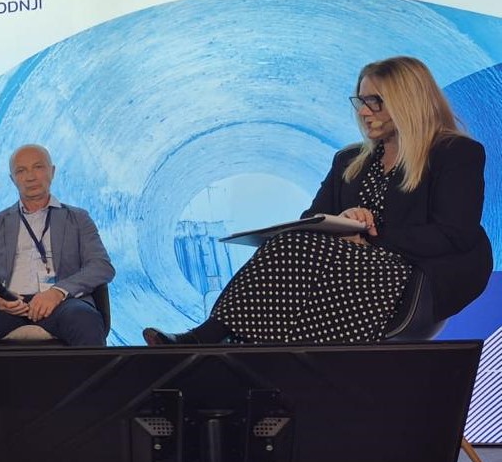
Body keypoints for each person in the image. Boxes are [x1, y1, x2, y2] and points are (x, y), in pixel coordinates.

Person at [144, 56, 491, 347]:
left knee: (296, 250)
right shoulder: (349, 161)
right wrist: (344, 221)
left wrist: (369, 234)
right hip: (345, 273)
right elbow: (312, 219)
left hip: (411, 274)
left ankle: (208, 338)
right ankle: (230, 345)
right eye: (360, 101)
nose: (364, 112)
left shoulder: (455, 153)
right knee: (289, 242)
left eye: (375, 102)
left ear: (408, 102)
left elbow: (454, 234)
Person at [0, 144, 115, 462]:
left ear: (52, 172)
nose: (30, 176)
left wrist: (59, 292)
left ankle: (89, 425)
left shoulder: (77, 218)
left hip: (60, 301)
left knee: (86, 321)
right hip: (9, 303)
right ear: (12, 179)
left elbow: (101, 266)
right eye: (21, 170)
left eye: (38, 167)